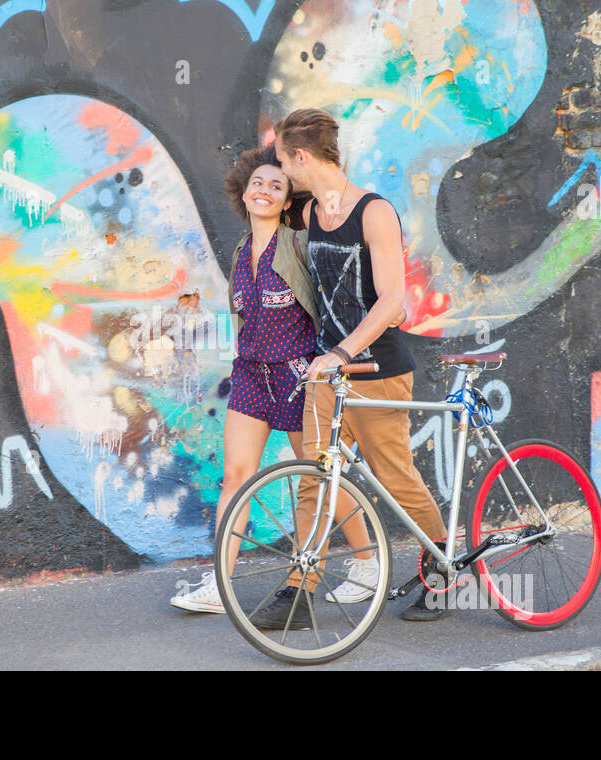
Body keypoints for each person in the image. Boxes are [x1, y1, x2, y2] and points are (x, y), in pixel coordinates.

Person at [248, 108, 450, 628]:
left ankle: (444, 570)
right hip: (328, 374)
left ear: (301, 156)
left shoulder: (374, 211)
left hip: (377, 370)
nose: (284, 174)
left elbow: (391, 303)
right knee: (315, 479)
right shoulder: (314, 212)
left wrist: (341, 352)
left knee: (394, 476)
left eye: (285, 164)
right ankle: (299, 592)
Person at [170, 146, 375, 612]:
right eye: (257, 183)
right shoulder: (242, 252)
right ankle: (220, 586)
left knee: (322, 474)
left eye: (275, 185)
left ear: (287, 202)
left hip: (299, 375)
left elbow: (335, 294)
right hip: (250, 374)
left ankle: (367, 563)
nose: (264, 190)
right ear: (244, 194)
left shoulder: (299, 245)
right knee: (236, 477)